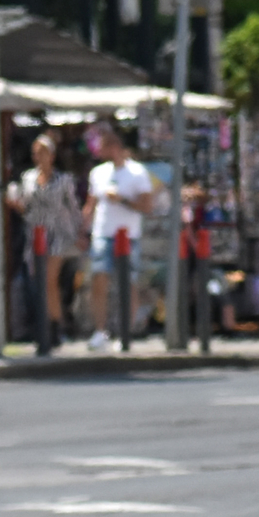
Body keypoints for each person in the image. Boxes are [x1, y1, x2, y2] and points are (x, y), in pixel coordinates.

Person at [6, 131, 83, 353]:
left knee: (49, 280)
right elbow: (26, 208)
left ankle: (53, 327)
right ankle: (50, 324)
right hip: (35, 233)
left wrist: (79, 232)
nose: (38, 157)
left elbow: (73, 208)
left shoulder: (64, 180)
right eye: (35, 153)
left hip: (57, 233)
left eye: (42, 152)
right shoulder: (28, 179)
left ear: (52, 155)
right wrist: (15, 203)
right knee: (39, 282)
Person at [81, 123, 154, 350]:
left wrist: (121, 199)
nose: (99, 152)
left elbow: (147, 205)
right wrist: (82, 229)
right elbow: (90, 204)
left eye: (102, 147)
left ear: (114, 146)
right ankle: (100, 331)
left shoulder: (137, 172)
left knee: (128, 282)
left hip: (128, 236)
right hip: (103, 232)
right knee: (99, 278)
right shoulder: (98, 173)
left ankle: (126, 330)